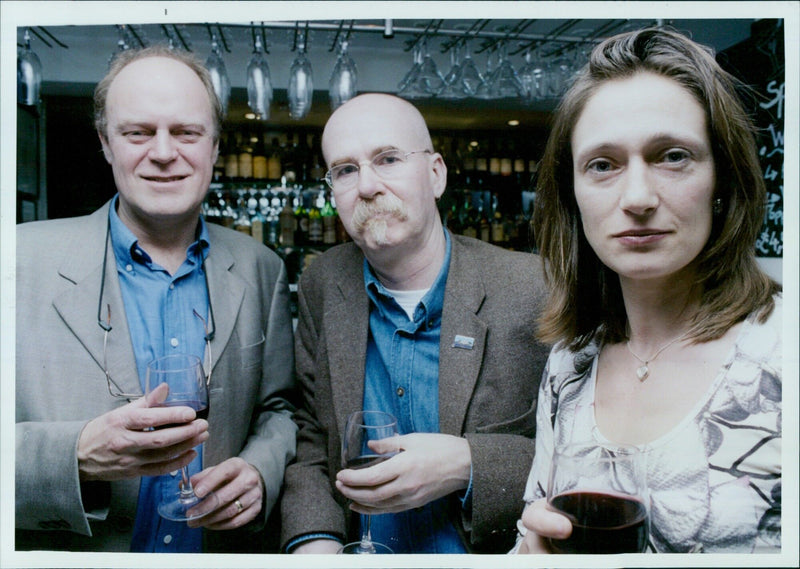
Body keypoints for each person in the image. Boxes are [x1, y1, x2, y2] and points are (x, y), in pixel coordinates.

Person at [15, 45, 297, 553]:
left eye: (186, 132)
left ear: (213, 146)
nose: (164, 152)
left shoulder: (262, 268)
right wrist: (73, 455)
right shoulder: (15, 261)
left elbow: (278, 408)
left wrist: (260, 469)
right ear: (106, 143)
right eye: (138, 132)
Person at [512, 28, 782, 554]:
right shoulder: (571, 361)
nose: (637, 197)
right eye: (603, 165)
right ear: (572, 196)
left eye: (673, 156)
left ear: (723, 181)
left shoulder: (780, 356)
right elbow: (536, 532)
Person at [279, 93, 550, 554]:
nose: (367, 185)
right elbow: (311, 436)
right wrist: (315, 543)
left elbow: (583, 453)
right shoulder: (323, 282)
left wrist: (467, 464)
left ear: (436, 173)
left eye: (388, 159)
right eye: (345, 170)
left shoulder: (533, 288)